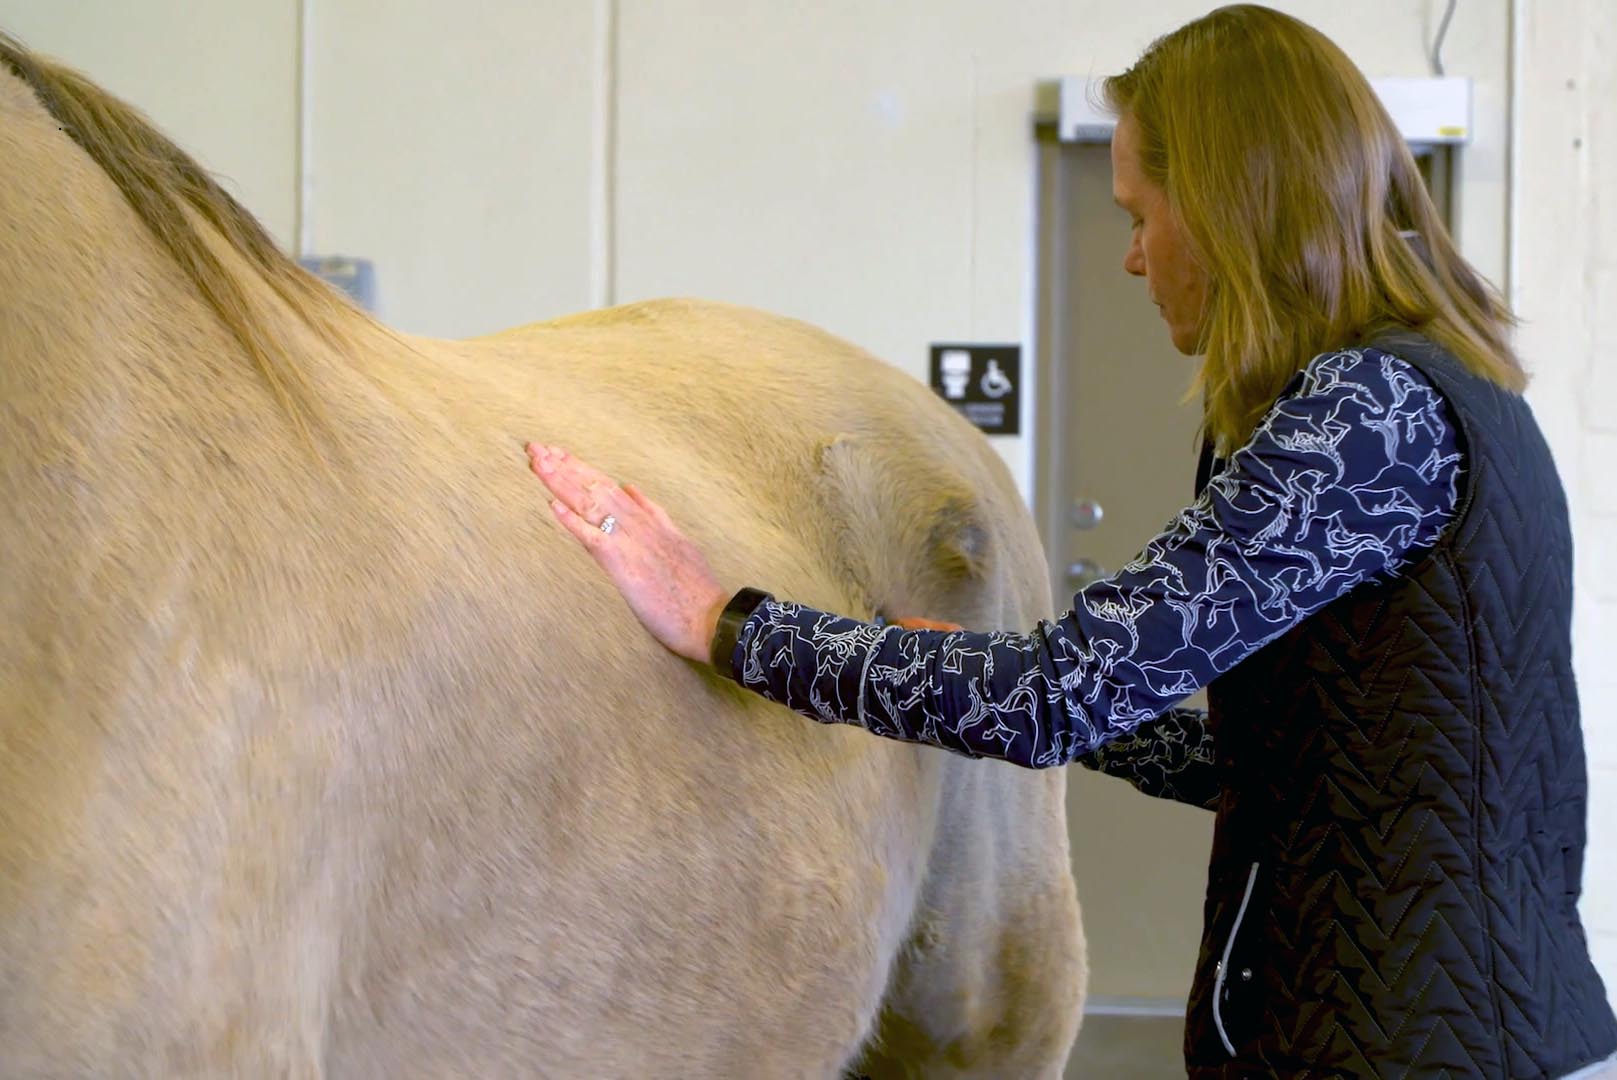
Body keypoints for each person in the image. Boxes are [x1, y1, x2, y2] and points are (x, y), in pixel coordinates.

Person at [526, 5, 1616, 1076]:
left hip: (1408, 1049)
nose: (1135, 258)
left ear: (1234, 207)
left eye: (1143, 214)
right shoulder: (1446, 390)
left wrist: (730, 624)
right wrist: (955, 672)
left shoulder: (1365, 415)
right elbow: (1283, 769)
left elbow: (1057, 692)